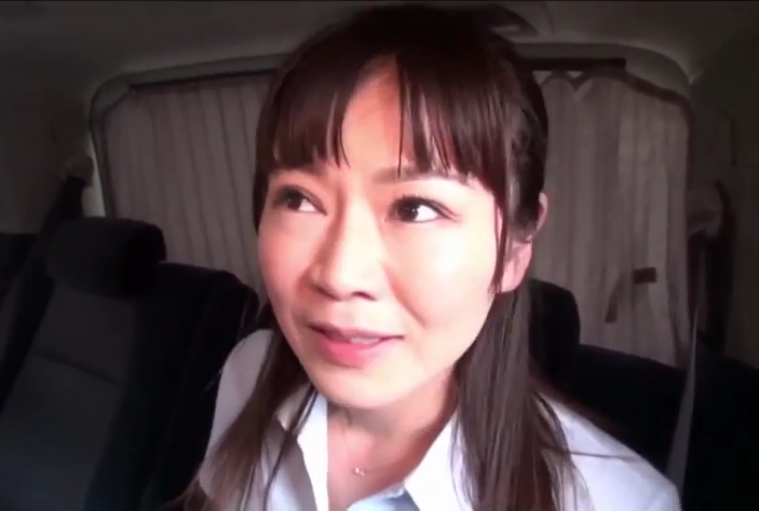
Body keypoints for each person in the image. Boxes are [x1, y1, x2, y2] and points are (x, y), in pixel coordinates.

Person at [189, 4, 680, 511]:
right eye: (298, 199)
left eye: (416, 208)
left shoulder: (623, 502)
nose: (339, 275)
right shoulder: (248, 370)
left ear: (516, 246)